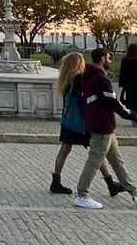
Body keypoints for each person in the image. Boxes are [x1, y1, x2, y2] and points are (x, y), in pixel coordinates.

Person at [74, 47, 137, 210]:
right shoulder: (99, 79)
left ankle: (135, 193)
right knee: (94, 161)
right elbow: (113, 102)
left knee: (117, 161)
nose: (111, 60)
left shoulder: (88, 77)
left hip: (102, 126)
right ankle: (81, 195)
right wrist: (134, 116)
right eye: (109, 57)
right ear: (102, 59)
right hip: (102, 126)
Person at [50, 51, 125, 197]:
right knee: (98, 152)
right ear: (78, 64)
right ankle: (110, 183)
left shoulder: (66, 80)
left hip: (69, 120)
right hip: (81, 122)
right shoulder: (79, 79)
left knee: (65, 150)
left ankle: (56, 181)